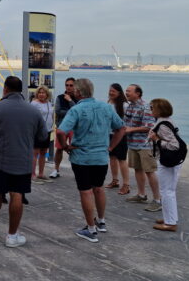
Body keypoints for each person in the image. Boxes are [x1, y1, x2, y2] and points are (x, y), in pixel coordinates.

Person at [0, 76, 48, 248]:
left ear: (5, 89)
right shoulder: (33, 110)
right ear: (21, 90)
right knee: (17, 194)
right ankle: (12, 236)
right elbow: (43, 135)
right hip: (23, 160)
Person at [57, 78, 125, 243]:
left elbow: (60, 131)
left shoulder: (76, 109)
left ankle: (90, 229)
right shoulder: (106, 107)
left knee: (85, 191)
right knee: (99, 188)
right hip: (101, 157)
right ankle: (101, 221)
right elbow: (121, 128)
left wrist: (65, 146)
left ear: (78, 92)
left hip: (82, 157)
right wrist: (110, 147)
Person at [124, 84, 162, 212]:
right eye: (126, 91)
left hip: (145, 145)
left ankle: (157, 200)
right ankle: (141, 195)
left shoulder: (146, 107)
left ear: (138, 93)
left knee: (150, 171)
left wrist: (130, 129)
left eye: (129, 91)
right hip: (132, 144)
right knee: (137, 169)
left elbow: (149, 127)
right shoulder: (130, 106)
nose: (126, 93)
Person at [148, 98, 182, 232]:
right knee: (169, 191)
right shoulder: (167, 121)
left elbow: (174, 145)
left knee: (166, 191)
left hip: (168, 161)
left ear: (159, 109)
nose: (150, 110)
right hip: (172, 161)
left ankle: (170, 223)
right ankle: (170, 218)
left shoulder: (162, 125)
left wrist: (156, 140)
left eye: (152, 108)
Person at [105, 83, 130, 194]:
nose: (111, 93)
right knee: (112, 158)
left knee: (122, 159)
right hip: (110, 134)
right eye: (110, 91)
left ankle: (126, 185)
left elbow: (128, 121)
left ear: (119, 93)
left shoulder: (125, 105)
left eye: (113, 91)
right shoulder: (109, 103)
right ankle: (115, 180)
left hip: (121, 135)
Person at [50, 77, 78, 178]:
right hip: (62, 127)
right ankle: (56, 170)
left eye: (71, 85)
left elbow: (78, 111)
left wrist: (70, 101)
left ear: (75, 86)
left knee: (75, 149)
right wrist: (72, 112)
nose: (68, 87)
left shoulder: (78, 98)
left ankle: (77, 171)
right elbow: (58, 111)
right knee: (59, 148)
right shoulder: (60, 97)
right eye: (67, 85)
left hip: (74, 128)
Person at [30, 86, 54, 183]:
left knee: (43, 152)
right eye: (39, 92)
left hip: (47, 130)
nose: (41, 94)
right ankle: (32, 174)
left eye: (43, 93)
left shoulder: (49, 103)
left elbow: (51, 115)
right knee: (35, 153)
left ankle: (41, 173)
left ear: (47, 94)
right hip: (37, 131)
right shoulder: (34, 104)